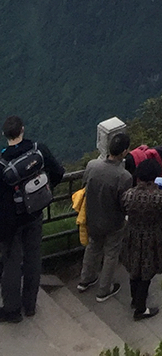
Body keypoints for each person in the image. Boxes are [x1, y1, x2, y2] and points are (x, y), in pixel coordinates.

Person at [0, 116, 64, 322]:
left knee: (11, 263)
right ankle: (30, 306)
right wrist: (44, 192)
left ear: (5, 135)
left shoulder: (2, 163)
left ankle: (12, 310)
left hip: (11, 222)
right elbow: (59, 173)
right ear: (22, 130)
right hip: (35, 214)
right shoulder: (38, 150)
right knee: (33, 258)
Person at [77, 130, 133, 303]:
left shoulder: (92, 165)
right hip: (113, 222)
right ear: (124, 152)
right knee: (111, 253)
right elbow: (124, 203)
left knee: (93, 246)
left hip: (93, 217)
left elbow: (84, 185)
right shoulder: (124, 176)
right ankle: (104, 289)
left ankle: (85, 279)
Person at [122, 157, 162, 321]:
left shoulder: (128, 195)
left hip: (132, 234)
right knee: (147, 270)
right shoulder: (160, 198)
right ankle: (140, 308)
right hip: (153, 236)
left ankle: (134, 299)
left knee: (134, 267)